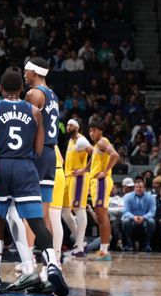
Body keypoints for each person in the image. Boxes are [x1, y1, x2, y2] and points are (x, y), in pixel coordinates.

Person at [0, 69, 67, 296]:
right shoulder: (34, 111)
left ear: (0, 89)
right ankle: (51, 265)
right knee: (37, 221)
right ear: (22, 89)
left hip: (1, 166)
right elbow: (39, 148)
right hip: (26, 167)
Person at [22, 58, 65, 260]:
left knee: (29, 210)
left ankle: (28, 258)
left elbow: (24, 128)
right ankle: (51, 259)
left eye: (26, 71)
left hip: (37, 153)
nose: (24, 75)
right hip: (51, 154)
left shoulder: (34, 94)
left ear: (33, 72)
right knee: (44, 213)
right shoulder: (53, 95)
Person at [85, 119, 119, 260]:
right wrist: (83, 170)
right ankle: (103, 250)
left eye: (94, 130)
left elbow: (115, 155)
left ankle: (105, 251)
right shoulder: (97, 145)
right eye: (90, 130)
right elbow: (92, 162)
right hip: (96, 181)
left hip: (101, 181)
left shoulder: (102, 142)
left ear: (100, 130)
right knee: (100, 216)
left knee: (102, 215)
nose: (91, 133)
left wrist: (105, 172)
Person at [63, 119, 91, 256]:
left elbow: (95, 153)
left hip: (78, 179)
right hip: (69, 179)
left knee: (79, 210)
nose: (68, 127)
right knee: (65, 212)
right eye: (67, 125)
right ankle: (81, 241)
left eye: (71, 125)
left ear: (77, 127)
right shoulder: (71, 141)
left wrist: (84, 170)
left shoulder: (81, 141)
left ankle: (79, 247)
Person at [121, 177, 156, 252]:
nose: (138, 189)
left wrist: (143, 217)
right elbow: (126, 211)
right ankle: (129, 245)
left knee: (152, 222)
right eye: (137, 187)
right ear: (134, 188)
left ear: (144, 188)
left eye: (140, 187)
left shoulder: (150, 197)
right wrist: (134, 217)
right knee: (126, 221)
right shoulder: (128, 197)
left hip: (145, 219)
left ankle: (146, 245)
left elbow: (152, 212)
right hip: (132, 219)